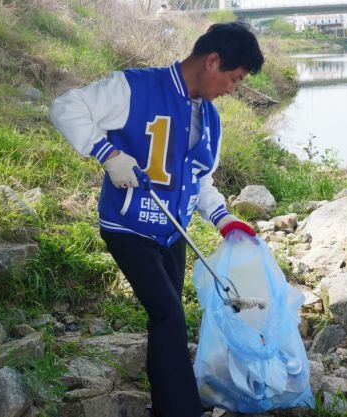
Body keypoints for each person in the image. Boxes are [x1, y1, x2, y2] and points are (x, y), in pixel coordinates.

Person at [50, 22, 264, 417]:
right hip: (128, 228)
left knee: (167, 316)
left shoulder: (211, 120)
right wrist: (109, 154)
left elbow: (199, 179)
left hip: (173, 232)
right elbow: (66, 107)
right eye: (233, 79)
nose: (233, 89)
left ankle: (167, 398)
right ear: (212, 61)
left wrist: (224, 220)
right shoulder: (134, 88)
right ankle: (180, 410)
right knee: (167, 312)